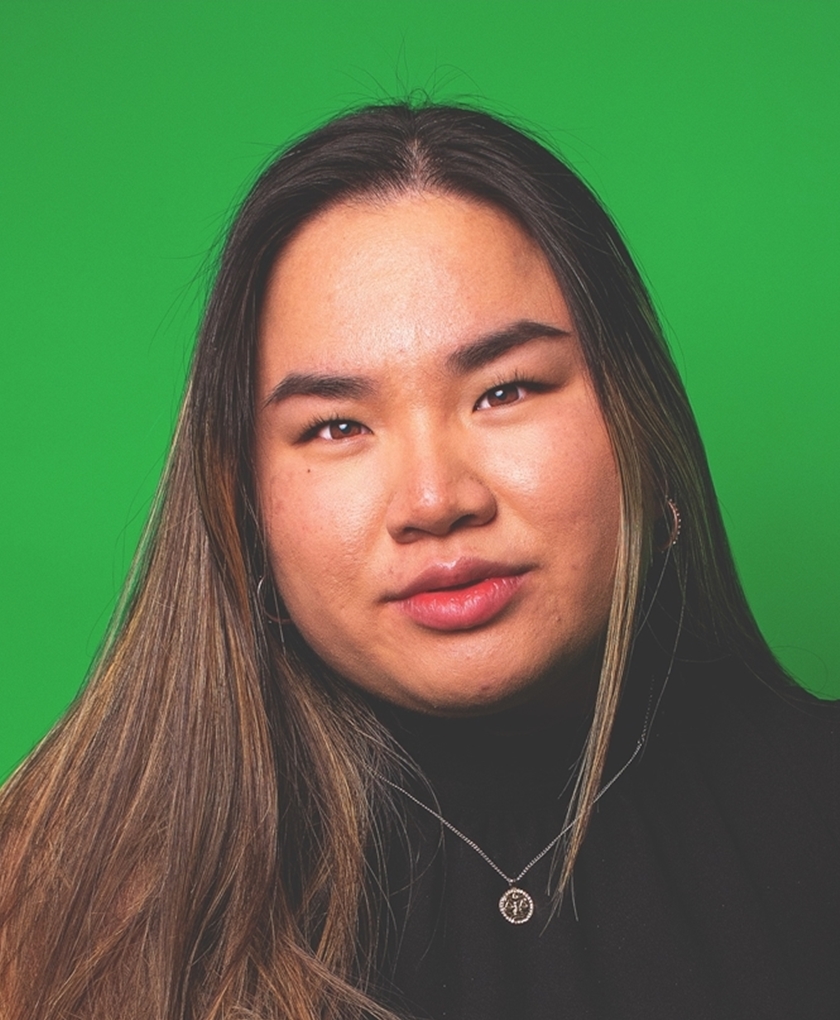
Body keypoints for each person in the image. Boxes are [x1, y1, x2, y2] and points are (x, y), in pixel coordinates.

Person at [0, 102, 837, 1020]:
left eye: (504, 390)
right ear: (244, 502)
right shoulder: (52, 891)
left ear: (641, 421)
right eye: (336, 426)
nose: (435, 501)